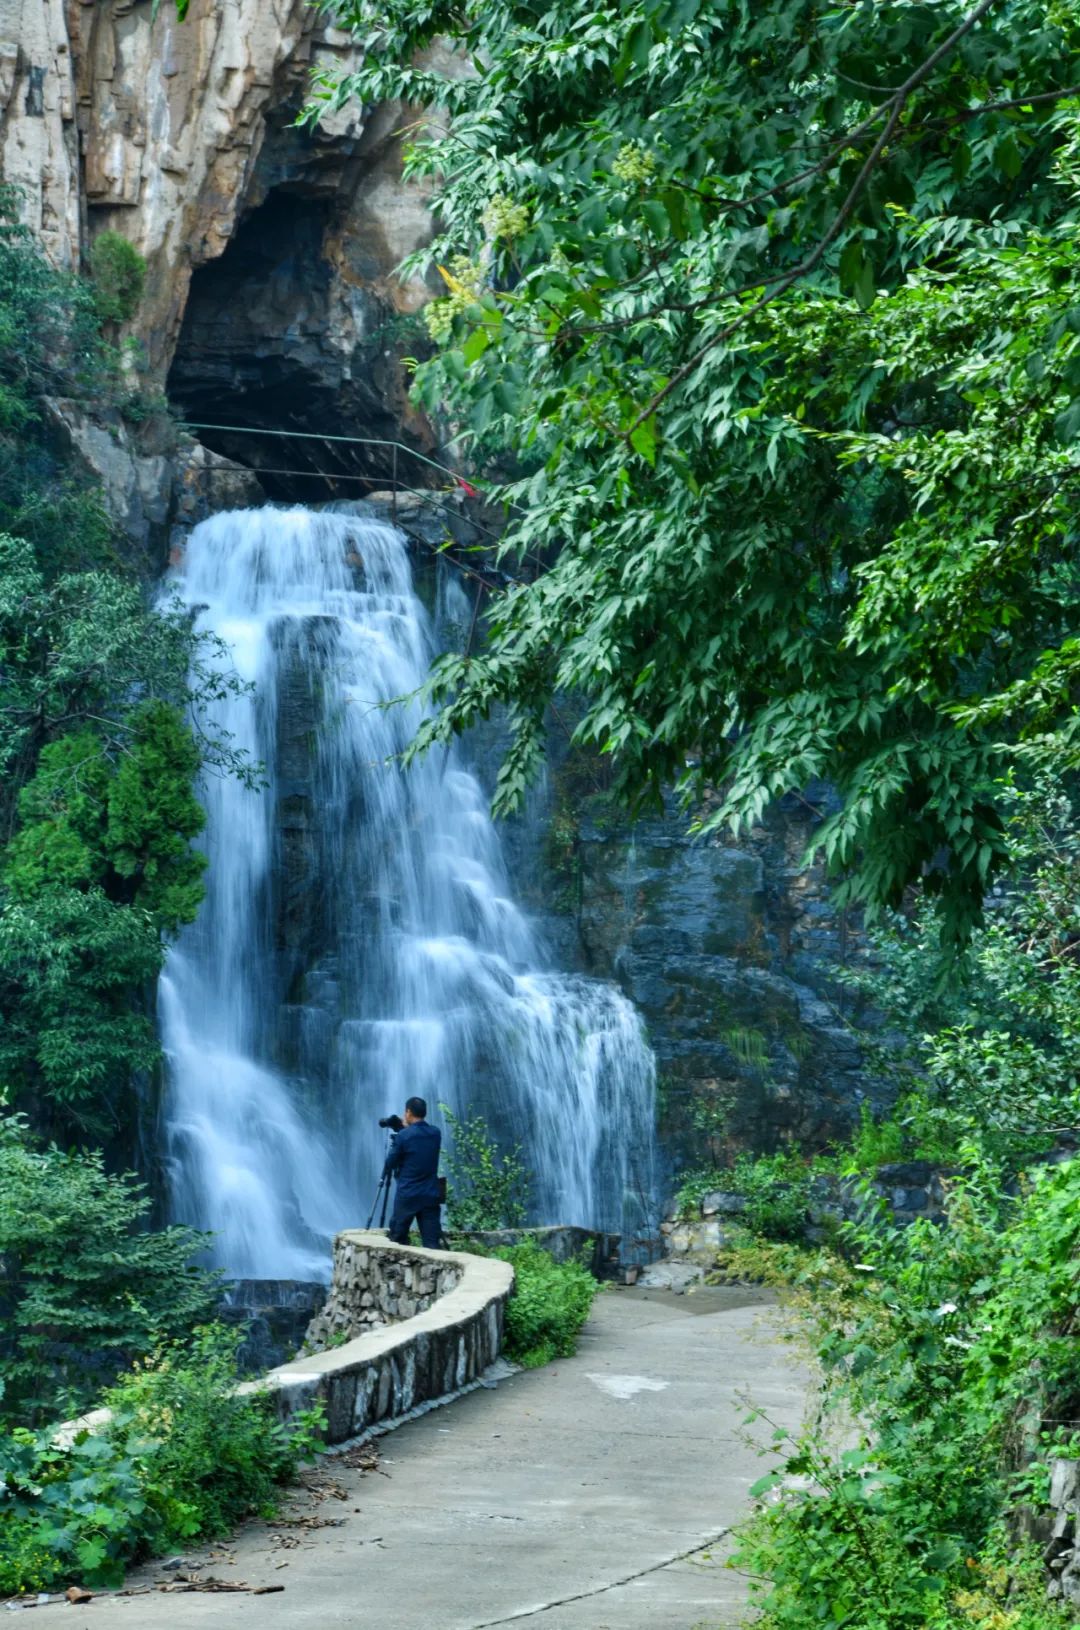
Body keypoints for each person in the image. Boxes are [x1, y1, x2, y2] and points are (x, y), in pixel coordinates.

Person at [384, 1096, 443, 1249]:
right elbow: (419, 1141)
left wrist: (402, 1131)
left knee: (397, 1239)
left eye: (406, 1112)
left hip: (408, 1195)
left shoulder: (404, 1136)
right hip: (430, 1195)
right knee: (432, 1244)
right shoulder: (436, 1133)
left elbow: (390, 1163)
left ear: (408, 1112)